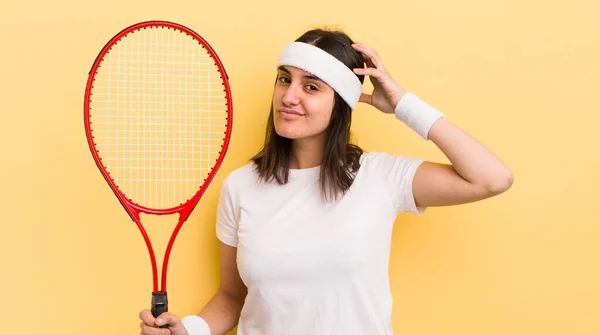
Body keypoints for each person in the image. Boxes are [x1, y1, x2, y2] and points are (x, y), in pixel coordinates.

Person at [139, 28, 513, 335]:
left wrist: (401, 103)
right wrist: (187, 330)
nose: (289, 96)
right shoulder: (241, 186)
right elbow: (232, 298)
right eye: (285, 79)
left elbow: (492, 178)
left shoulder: (379, 177)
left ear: (342, 103)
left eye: (312, 87)